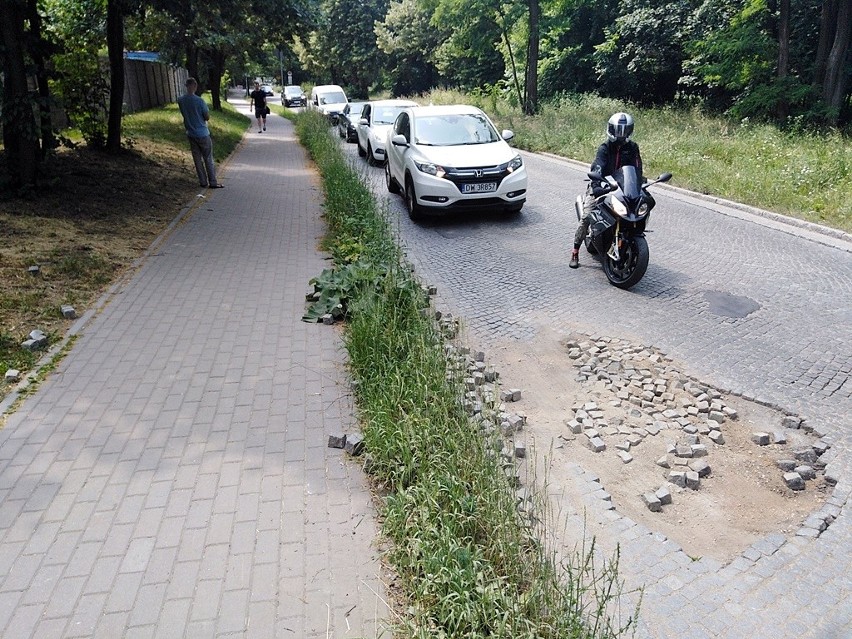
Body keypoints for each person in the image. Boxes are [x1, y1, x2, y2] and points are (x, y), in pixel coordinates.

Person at [570, 112, 642, 269]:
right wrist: (596, 185)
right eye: (617, 130)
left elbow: (637, 168)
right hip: (603, 185)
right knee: (587, 216)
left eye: (624, 130)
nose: (620, 134)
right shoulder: (604, 148)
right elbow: (597, 167)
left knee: (634, 211)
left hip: (622, 188)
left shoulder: (632, 148)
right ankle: (575, 251)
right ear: (611, 129)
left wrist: (639, 182)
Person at [176, 77, 223, 189]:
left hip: (190, 133)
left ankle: (202, 181)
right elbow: (206, 117)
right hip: (202, 133)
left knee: (197, 159)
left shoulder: (181, 100)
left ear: (186, 86)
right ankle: (212, 182)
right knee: (208, 158)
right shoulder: (200, 101)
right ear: (195, 86)